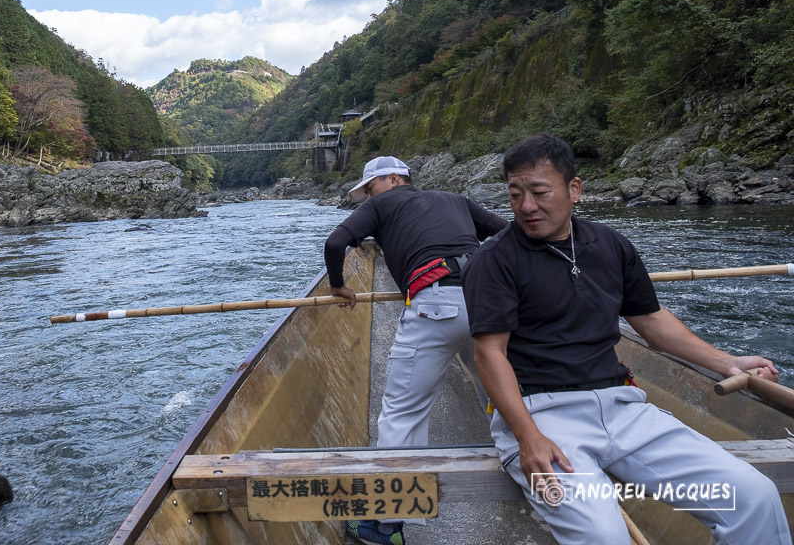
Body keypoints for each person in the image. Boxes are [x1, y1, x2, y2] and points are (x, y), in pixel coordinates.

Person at [462, 133, 792, 545]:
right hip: (540, 415)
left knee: (752, 497)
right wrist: (528, 439)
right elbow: (489, 353)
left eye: (539, 192)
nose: (527, 207)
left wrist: (728, 363)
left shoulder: (610, 244)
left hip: (623, 409)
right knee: (603, 534)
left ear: (574, 189)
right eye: (515, 194)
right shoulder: (492, 260)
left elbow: (651, 321)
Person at [324, 155, 508, 545]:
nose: (367, 198)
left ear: (393, 179)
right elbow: (508, 233)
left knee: (402, 414)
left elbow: (336, 242)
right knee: (503, 394)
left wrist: (338, 286)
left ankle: (387, 527)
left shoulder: (380, 205)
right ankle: (531, 477)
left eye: (370, 188)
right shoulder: (454, 199)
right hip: (487, 299)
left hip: (435, 304)